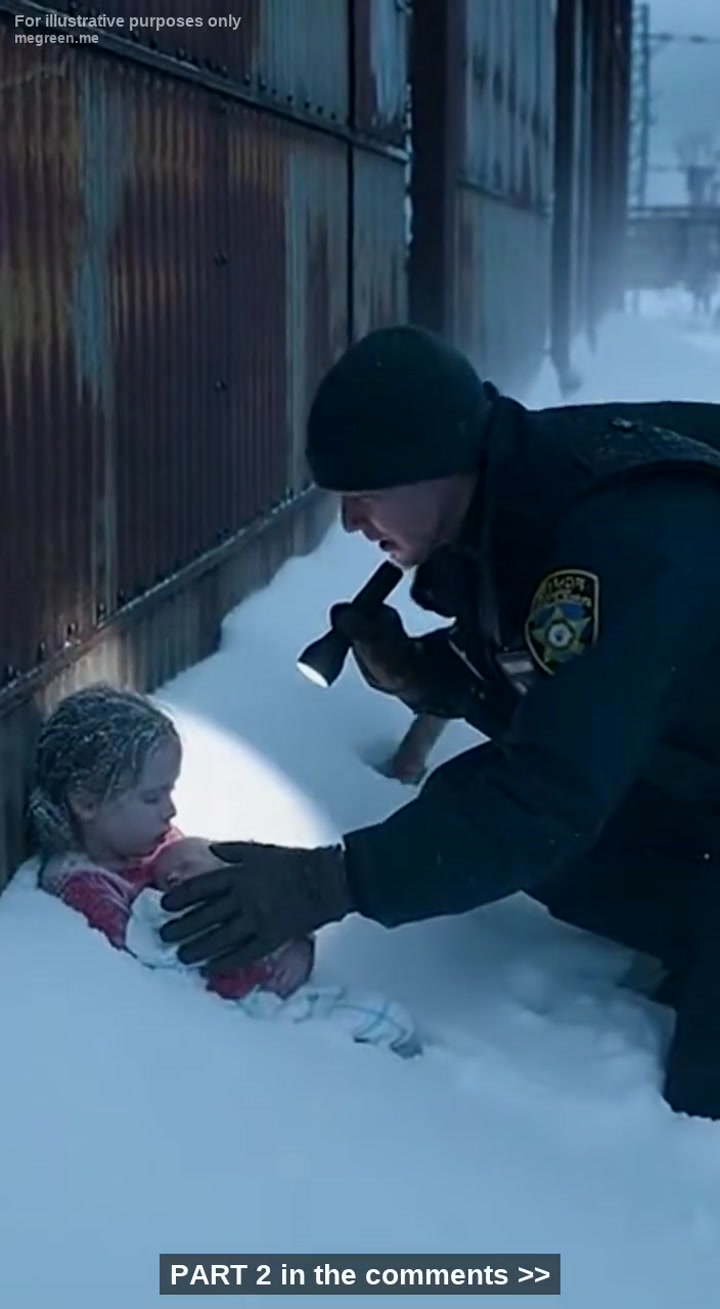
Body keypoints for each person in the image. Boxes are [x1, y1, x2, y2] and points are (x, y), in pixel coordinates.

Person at [158, 324, 720, 1118]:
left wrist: (332, 881)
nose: (352, 521)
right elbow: (569, 688)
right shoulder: (508, 498)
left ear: (432, 463)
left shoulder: (624, 537)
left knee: (705, 1086)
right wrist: (433, 676)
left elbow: (551, 794)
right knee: (503, 825)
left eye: (365, 493)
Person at [25, 683, 419, 1056]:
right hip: (236, 1020)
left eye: (170, 792)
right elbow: (160, 976)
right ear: (86, 802)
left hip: (271, 986)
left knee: (384, 1019)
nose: (170, 810)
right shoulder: (85, 888)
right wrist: (248, 978)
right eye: (152, 797)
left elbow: (243, 893)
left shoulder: (160, 844)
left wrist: (297, 943)